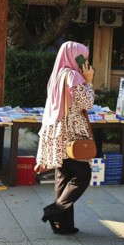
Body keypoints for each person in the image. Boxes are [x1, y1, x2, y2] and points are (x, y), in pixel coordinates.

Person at [34, 41, 95, 235]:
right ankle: (55, 211)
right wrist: (89, 80)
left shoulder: (57, 75)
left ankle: (63, 226)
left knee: (63, 176)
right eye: (82, 57)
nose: (85, 61)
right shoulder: (73, 75)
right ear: (74, 56)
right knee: (83, 175)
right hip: (73, 134)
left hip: (58, 133)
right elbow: (88, 102)